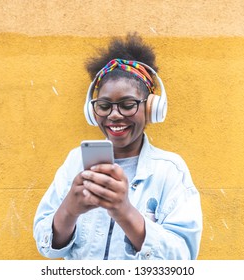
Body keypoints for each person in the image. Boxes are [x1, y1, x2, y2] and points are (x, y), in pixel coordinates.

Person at [33, 33, 202, 260]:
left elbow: (183, 257)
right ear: (92, 111)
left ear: (151, 108)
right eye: (104, 106)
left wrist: (124, 211)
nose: (114, 115)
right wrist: (69, 210)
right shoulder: (75, 161)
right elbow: (46, 247)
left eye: (128, 105)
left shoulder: (170, 170)